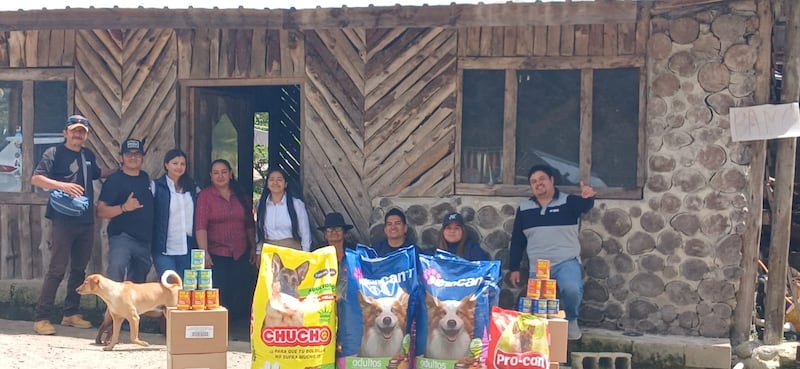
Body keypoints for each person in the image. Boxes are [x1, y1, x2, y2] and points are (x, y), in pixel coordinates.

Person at [31, 115, 115, 335]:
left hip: (86, 221)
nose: (78, 134)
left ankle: (70, 314)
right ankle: (42, 318)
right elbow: (37, 179)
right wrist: (63, 186)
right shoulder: (53, 153)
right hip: (62, 221)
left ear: (86, 135)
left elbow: (98, 173)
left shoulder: (88, 155)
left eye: (82, 131)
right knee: (57, 269)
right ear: (65, 132)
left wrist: (121, 169)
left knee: (79, 269)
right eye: (74, 130)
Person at [508, 164, 596, 340]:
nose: (538, 184)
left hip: (566, 262)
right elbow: (518, 240)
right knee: (535, 308)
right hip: (538, 267)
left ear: (552, 180)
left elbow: (585, 205)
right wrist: (514, 268)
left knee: (572, 290)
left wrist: (588, 196)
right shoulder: (524, 209)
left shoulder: (568, 202)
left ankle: (571, 320)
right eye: (534, 182)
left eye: (542, 179)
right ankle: (540, 344)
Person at [195, 159, 256, 319]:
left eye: (223, 172)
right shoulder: (205, 196)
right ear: (210, 176)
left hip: (240, 251)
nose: (220, 176)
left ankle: (237, 327)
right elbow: (201, 226)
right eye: (216, 173)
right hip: (217, 253)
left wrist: (253, 248)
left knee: (240, 290)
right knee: (219, 292)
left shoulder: (240, 196)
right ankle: (220, 327)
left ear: (230, 173)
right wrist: (204, 253)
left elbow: (249, 224)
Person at [96, 139, 155, 283]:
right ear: (121, 157)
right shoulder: (114, 180)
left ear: (143, 157)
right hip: (122, 237)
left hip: (144, 240)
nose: (133, 157)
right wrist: (124, 208)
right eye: (129, 154)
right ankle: (111, 305)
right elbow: (100, 211)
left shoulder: (145, 178)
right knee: (117, 268)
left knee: (139, 280)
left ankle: (132, 306)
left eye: (137, 154)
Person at [151, 149, 198, 277]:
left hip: (187, 245)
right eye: (175, 163)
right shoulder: (156, 187)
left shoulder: (192, 187)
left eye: (182, 164)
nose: (179, 167)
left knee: (186, 289)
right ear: (166, 165)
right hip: (164, 246)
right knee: (169, 286)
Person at [254, 167, 311, 262]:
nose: (275, 183)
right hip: (269, 251)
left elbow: (305, 233)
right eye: (271, 180)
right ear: (267, 184)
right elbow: (259, 230)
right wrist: (258, 251)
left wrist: (305, 256)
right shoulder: (261, 204)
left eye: (279, 180)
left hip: (292, 250)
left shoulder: (296, 204)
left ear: (285, 184)